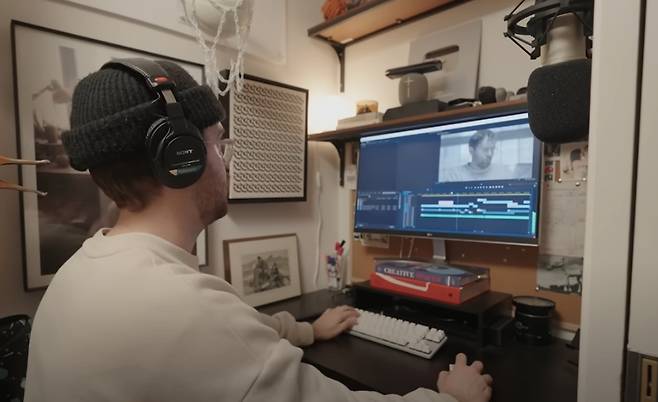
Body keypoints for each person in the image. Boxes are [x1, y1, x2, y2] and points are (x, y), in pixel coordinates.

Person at [24, 58, 492, 402]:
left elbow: (232, 332)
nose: (226, 161)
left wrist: (306, 331)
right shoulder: (184, 310)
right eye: (218, 145)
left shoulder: (77, 274)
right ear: (182, 158)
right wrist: (452, 397)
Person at [441, 130, 528, 182]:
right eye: (485, 150)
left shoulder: (504, 173)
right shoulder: (454, 175)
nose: (490, 154)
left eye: (492, 149)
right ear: (471, 150)